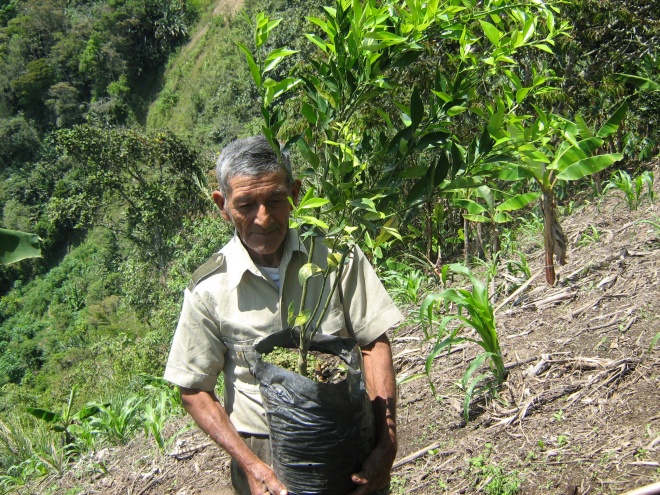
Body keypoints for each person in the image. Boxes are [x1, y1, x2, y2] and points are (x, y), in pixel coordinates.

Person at [164, 135, 402, 495]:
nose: (263, 219)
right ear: (222, 205)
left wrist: (386, 442)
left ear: (295, 193)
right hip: (265, 450)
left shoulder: (336, 256)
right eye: (245, 204)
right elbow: (194, 389)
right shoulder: (209, 289)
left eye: (275, 200)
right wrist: (250, 465)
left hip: (350, 436)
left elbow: (373, 342)